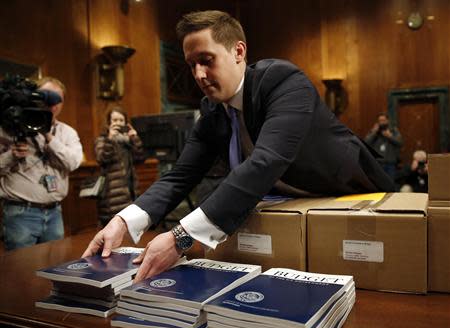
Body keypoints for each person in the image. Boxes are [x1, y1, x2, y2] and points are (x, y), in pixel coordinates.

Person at [83, 10, 394, 281]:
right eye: (191, 65)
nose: (199, 75)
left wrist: (180, 236)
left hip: (351, 196)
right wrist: (121, 221)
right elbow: (180, 177)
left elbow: (265, 161)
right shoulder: (212, 112)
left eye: (206, 60)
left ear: (238, 51)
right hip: (290, 211)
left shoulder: (284, 81)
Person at [0, 76, 83, 250]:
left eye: (57, 99)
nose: (52, 104)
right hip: (20, 213)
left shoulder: (67, 132)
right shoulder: (10, 128)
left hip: (55, 212)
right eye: (46, 96)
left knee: (53, 267)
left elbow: (73, 163)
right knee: (20, 270)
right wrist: (11, 156)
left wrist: (48, 136)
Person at [94, 106, 144, 227]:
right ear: (109, 122)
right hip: (112, 196)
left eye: (121, 120)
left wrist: (135, 138)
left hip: (130, 193)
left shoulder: (128, 142)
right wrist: (110, 139)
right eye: (115, 120)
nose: (118, 123)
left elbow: (140, 158)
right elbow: (102, 159)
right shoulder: (102, 140)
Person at [365, 112, 403, 180]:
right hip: (378, 163)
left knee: (390, 184)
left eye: (383, 120)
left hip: (390, 163)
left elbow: (400, 143)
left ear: (387, 121)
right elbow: (366, 143)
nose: (382, 122)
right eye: (380, 121)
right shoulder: (374, 131)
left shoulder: (393, 130)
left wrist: (390, 136)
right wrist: (374, 133)